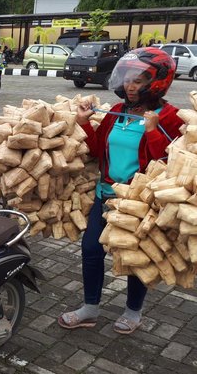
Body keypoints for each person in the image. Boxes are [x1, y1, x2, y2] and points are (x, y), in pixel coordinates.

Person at [58, 47, 183, 335]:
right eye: (127, 78)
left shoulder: (172, 117)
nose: (130, 85)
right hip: (106, 194)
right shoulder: (116, 111)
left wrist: (153, 130)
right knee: (91, 249)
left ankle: (133, 312)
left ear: (158, 81)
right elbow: (96, 148)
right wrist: (83, 124)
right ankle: (90, 307)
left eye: (138, 80)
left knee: (133, 257)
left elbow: (170, 164)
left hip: (139, 202)